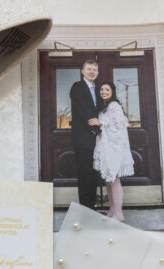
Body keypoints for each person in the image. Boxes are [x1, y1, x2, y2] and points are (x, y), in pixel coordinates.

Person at [93, 81, 135, 222]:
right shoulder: (104, 108)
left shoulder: (114, 106)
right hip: (106, 147)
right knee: (109, 180)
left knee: (114, 180)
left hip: (114, 149)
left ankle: (119, 214)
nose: (104, 91)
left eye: (107, 89)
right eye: (102, 89)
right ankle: (112, 210)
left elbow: (118, 126)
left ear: (112, 92)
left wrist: (101, 123)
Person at [69, 59, 102, 209]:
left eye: (94, 70)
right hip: (83, 137)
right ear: (82, 71)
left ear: (97, 72)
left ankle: (92, 205)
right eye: (89, 69)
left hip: (98, 138)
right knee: (84, 173)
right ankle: (85, 208)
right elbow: (83, 109)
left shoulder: (99, 89)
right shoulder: (77, 87)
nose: (91, 72)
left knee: (94, 172)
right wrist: (95, 125)